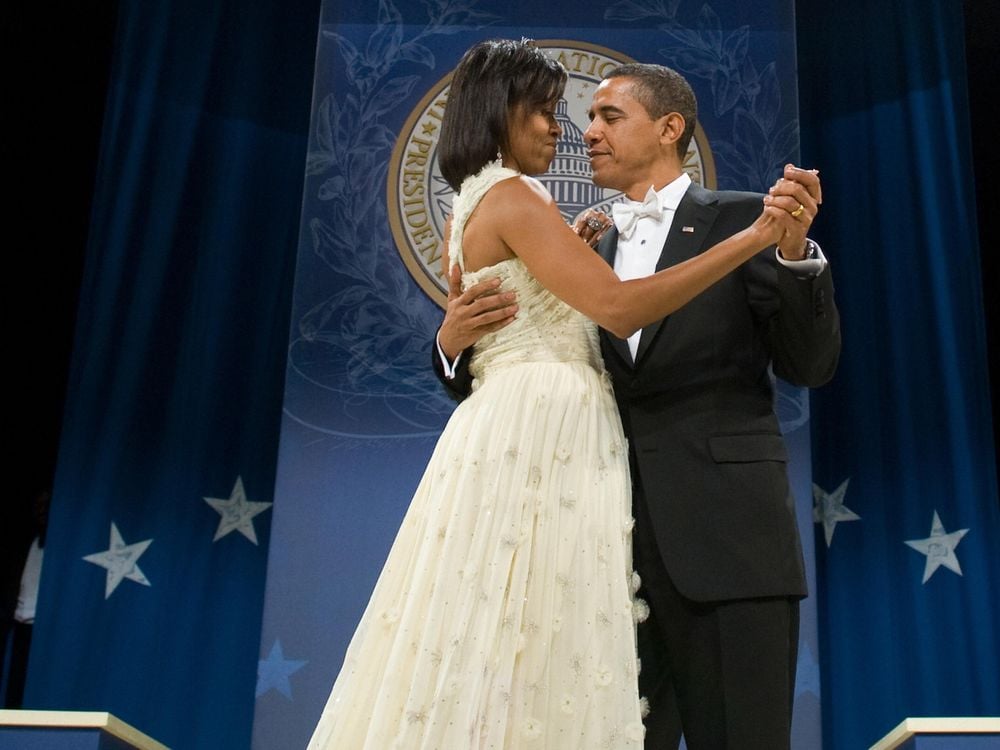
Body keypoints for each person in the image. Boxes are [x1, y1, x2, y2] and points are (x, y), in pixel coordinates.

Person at [309, 40, 805, 749]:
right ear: (498, 112)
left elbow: (532, 309)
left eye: (581, 113)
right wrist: (757, 236)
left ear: (669, 131)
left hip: (648, 504)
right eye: (545, 111)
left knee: (522, 660)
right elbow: (619, 308)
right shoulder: (514, 196)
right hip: (542, 450)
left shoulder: (487, 205)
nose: (563, 129)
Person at [434, 62, 840, 750]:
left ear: (669, 128)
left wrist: (795, 254)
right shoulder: (579, 242)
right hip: (599, 563)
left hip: (729, 548)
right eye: (586, 118)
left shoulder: (750, 218)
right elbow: (522, 362)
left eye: (608, 118)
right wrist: (447, 344)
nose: (585, 133)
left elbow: (811, 364)